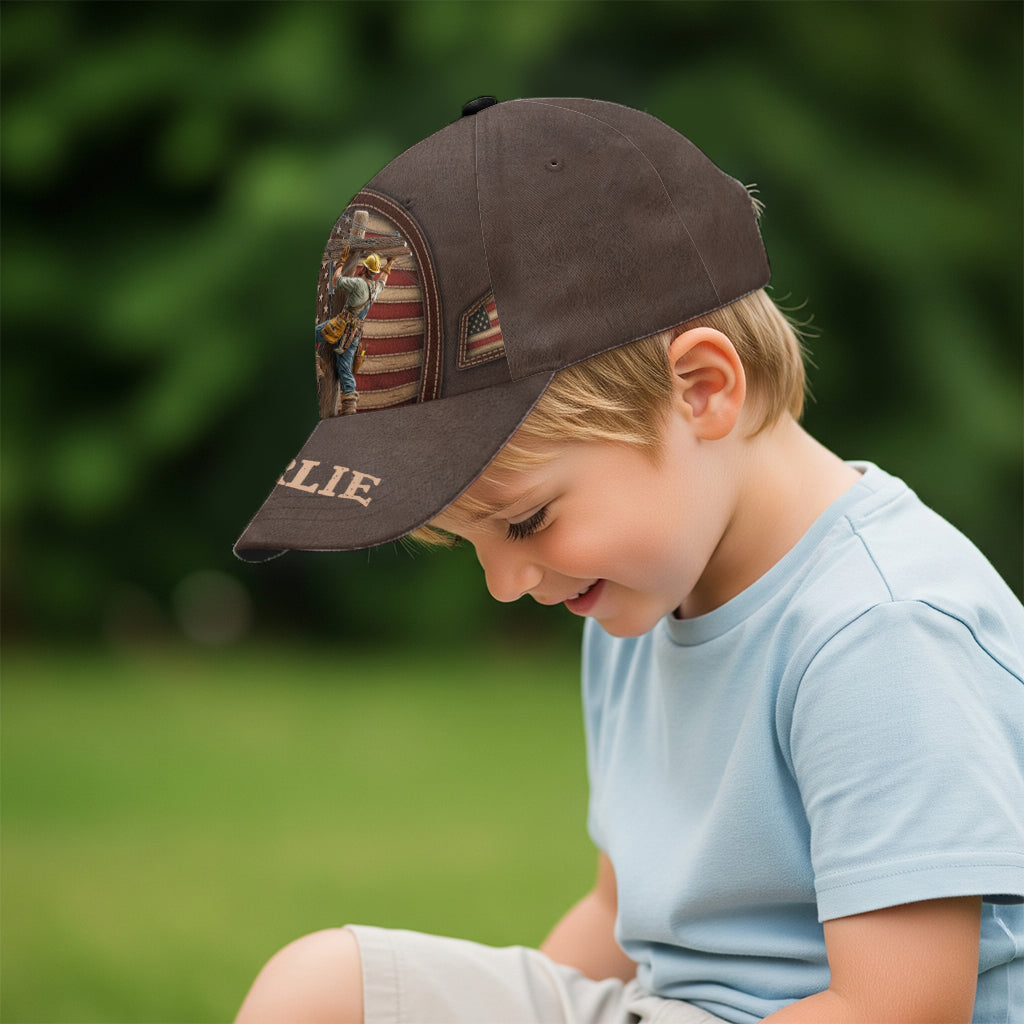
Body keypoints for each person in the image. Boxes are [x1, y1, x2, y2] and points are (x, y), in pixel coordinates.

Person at [232, 98, 1024, 1023]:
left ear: (701, 391)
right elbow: (620, 918)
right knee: (322, 991)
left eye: (524, 522)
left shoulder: (879, 629)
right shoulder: (633, 595)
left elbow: (899, 1009)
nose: (504, 583)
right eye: (471, 542)